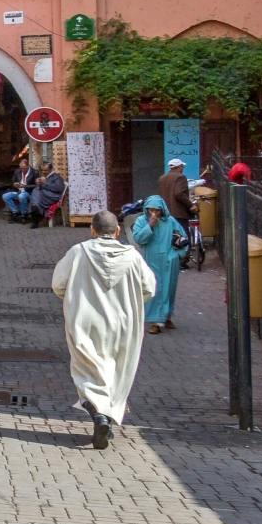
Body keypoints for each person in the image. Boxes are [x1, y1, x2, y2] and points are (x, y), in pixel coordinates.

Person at [52, 209, 156, 449]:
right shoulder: (132, 256)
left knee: (88, 369)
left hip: (85, 321)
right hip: (123, 324)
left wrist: (77, 296)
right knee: (117, 370)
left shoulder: (78, 253)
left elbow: (58, 284)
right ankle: (106, 415)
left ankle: (99, 415)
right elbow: (149, 289)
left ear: (92, 230)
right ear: (117, 231)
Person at [129, 194, 187, 333]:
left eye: (157, 210)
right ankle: (155, 320)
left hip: (169, 261)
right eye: (151, 210)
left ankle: (166, 316)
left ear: (162, 210)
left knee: (169, 289)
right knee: (154, 289)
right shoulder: (141, 221)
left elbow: (183, 238)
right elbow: (139, 238)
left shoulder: (171, 221)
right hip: (152, 260)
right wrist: (150, 226)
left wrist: (178, 255)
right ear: (146, 209)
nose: (154, 213)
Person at [157, 159, 193, 226]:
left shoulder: (162, 178)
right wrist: (191, 205)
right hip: (178, 214)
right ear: (180, 166)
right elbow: (179, 194)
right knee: (182, 234)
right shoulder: (180, 177)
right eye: (182, 167)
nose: (183, 169)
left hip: (165, 214)